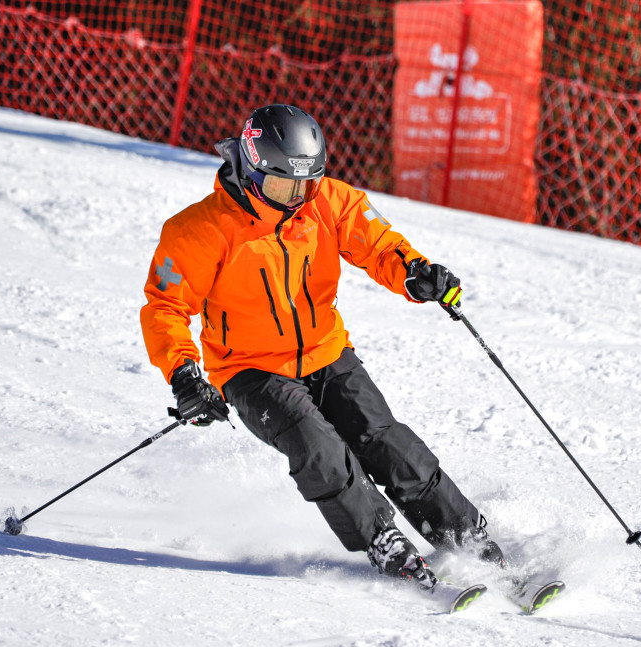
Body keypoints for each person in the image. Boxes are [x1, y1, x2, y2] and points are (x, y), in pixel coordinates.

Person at [140, 104, 505, 593]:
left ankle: (463, 533)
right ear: (250, 166)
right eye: (281, 185)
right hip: (251, 371)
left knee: (385, 440)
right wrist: (184, 373)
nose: (295, 198)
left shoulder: (328, 202)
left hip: (326, 351)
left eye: (305, 184)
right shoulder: (198, 230)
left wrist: (415, 273)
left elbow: (379, 244)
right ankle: (383, 541)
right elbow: (165, 306)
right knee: (319, 449)